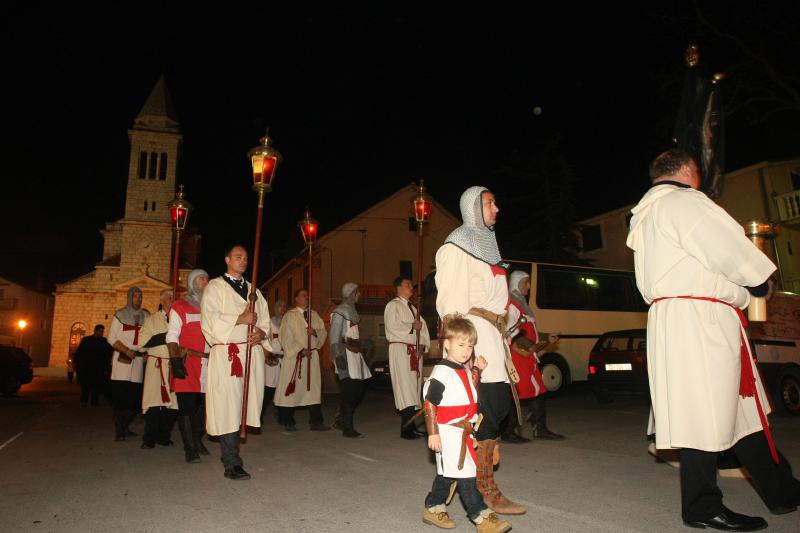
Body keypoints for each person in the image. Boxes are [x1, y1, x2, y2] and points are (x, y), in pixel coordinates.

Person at [626, 149, 800, 530]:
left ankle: (782, 490)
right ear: (688, 170)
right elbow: (724, 245)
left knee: (737, 410)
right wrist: (758, 280)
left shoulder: (648, 213)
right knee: (702, 413)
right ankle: (702, 507)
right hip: (700, 320)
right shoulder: (683, 202)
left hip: (681, 318)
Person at [435, 186, 525, 515]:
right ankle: (484, 488)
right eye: (490, 203)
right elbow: (450, 305)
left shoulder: (489, 247)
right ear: (472, 207)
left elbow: (498, 302)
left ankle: (464, 479)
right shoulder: (456, 246)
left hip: (493, 339)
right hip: (474, 338)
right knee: (482, 413)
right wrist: (462, 353)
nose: (496, 208)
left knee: (497, 408)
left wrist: (505, 334)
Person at [421, 316, 511, 533]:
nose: (466, 351)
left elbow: (467, 389)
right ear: (447, 344)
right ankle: (481, 517)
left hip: (463, 434)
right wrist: (433, 433)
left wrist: (477, 370)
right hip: (449, 433)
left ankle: (433, 506)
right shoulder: (442, 372)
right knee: (467, 476)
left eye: (470, 346)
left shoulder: (461, 369)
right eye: (461, 345)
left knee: (449, 473)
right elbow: (430, 403)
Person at [201, 246, 271, 480]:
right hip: (228, 355)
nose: (243, 261)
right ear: (227, 259)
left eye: (246, 258)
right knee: (228, 406)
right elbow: (209, 320)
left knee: (244, 405)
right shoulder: (215, 287)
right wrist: (240, 318)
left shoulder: (254, 290)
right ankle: (231, 462)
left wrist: (261, 334)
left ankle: (231, 456)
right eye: (238, 257)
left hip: (251, 354)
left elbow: (265, 321)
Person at [502, 270, 563, 442]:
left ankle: (540, 428)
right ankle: (508, 431)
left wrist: (546, 337)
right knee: (516, 393)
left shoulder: (523, 305)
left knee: (539, 390)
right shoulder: (512, 305)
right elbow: (511, 332)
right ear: (517, 283)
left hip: (529, 358)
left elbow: (531, 332)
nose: (529, 286)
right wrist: (531, 345)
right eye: (526, 282)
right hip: (517, 357)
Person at [167, 268, 211, 463]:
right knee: (187, 407)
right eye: (202, 278)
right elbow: (172, 335)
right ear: (192, 282)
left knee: (204, 409)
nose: (206, 281)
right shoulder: (180, 306)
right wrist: (175, 360)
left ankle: (197, 439)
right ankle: (190, 449)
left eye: (207, 278)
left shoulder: (212, 307)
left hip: (209, 364)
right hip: (188, 362)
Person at [274, 288, 329, 431]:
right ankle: (288, 421)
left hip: (311, 358)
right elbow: (285, 337)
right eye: (304, 295)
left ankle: (316, 422)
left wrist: (315, 332)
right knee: (292, 391)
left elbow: (323, 332)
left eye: (308, 295)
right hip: (295, 358)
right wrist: (300, 350)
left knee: (313, 390)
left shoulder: (314, 315)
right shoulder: (290, 316)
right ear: (296, 299)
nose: (307, 297)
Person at [384, 276, 430, 439]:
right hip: (401, 350)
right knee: (405, 389)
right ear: (398, 287)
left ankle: (411, 426)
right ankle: (406, 430)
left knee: (413, 389)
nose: (411, 287)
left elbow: (423, 329)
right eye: (408, 284)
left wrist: (422, 346)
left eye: (411, 284)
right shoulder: (393, 305)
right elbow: (392, 327)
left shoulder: (413, 308)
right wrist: (411, 327)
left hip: (414, 352)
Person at [330, 282, 372, 438]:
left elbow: (354, 333)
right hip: (345, 354)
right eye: (357, 292)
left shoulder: (353, 311)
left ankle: (340, 419)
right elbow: (334, 337)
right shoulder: (339, 312)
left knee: (358, 391)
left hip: (355, 354)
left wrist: (364, 343)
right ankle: (347, 428)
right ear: (351, 293)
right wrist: (337, 356)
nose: (359, 294)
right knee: (350, 391)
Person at [108, 287, 150, 441]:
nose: (138, 299)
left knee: (134, 401)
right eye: (136, 296)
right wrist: (126, 350)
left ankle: (124, 426)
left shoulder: (146, 316)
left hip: (138, 362)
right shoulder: (120, 315)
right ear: (130, 297)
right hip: (122, 362)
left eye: (140, 296)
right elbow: (111, 338)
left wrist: (146, 352)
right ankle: (120, 431)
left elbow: (148, 337)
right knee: (120, 398)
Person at [139, 289, 178, 449]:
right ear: (161, 301)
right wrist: (166, 336)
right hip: (156, 365)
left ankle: (164, 436)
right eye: (168, 297)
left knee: (173, 404)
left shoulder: (179, 319)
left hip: (174, 367)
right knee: (154, 402)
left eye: (173, 297)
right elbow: (142, 343)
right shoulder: (151, 320)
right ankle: (149, 438)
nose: (171, 300)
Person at [73, 324, 113, 406]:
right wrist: (75, 362)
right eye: (100, 331)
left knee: (96, 385)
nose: (101, 333)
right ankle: (84, 401)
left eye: (102, 331)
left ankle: (94, 402)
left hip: (99, 368)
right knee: (85, 386)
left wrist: (107, 368)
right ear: (95, 331)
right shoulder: (86, 340)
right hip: (87, 367)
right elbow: (80, 351)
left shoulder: (104, 341)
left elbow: (108, 354)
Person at [262, 299, 287, 424]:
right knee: (268, 389)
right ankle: (259, 416)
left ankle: (282, 417)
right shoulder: (269, 323)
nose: (282, 308)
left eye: (284, 306)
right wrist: (267, 355)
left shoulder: (287, 323)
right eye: (279, 306)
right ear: (275, 308)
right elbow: (263, 340)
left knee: (283, 390)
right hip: (272, 360)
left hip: (285, 360)